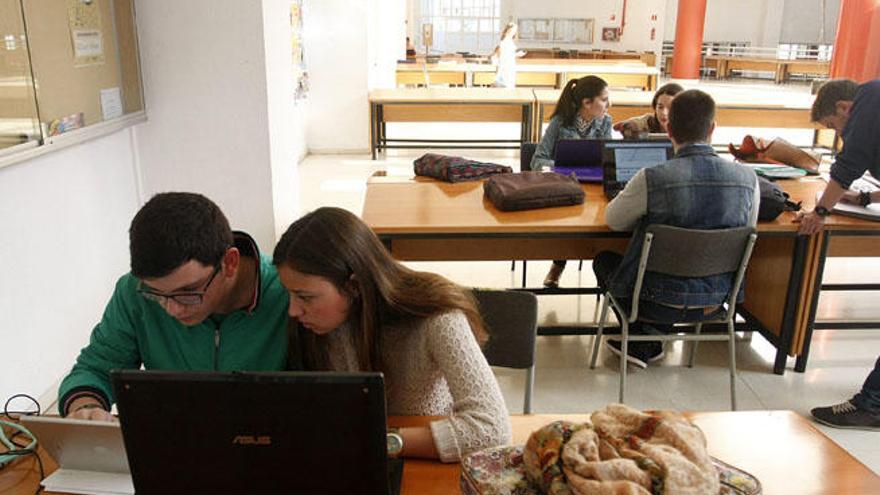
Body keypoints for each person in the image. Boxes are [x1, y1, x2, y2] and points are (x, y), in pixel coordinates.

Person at [273, 207, 511, 463]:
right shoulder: (318, 324)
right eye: (289, 294)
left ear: (354, 286)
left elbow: (492, 428)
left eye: (305, 297)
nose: (293, 311)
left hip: (425, 464)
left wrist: (382, 441)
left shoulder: (438, 318)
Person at [58, 192, 291, 420]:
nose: (172, 309)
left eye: (188, 292)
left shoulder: (290, 294)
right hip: (173, 443)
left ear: (230, 263)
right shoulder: (134, 291)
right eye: (157, 294)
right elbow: (95, 369)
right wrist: (86, 408)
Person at [594, 89, 759, 368]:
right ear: (712, 129)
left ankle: (645, 334)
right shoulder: (748, 179)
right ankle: (651, 336)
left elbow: (614, 220)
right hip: (716, 299)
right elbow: (748, 229)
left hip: (652, 299)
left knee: (604, 261)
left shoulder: (652, 177)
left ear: (668, 128)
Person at [801, 78, 880, 430]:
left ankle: (872, 405)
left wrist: (820, 212)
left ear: (844, 108)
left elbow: (852, 160)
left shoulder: (870, 96)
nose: (838, 134)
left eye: (834, 126)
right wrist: (865, 199)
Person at [530, 75, 613, 288]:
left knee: (606, 222)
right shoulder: (560, 122)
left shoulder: (605, 122)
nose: (608, 104)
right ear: (587, 103)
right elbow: (537, 161)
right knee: (568, 221)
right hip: (565, 188)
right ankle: (558, 264)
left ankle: (602, 272)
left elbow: (609, 160)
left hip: (594, 189)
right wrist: (567, 170)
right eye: (603, 99)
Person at [612, 82, 684, 139]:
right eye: (660, 107)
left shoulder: (689, 127)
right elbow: (616, 128)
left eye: (670, 108)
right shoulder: (639, 125)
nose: (664, 113)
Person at [490, 22, 526, 88]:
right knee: (507, 86)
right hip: (506, 67)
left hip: (510, 66)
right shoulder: (505, 41)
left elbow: (508, 54)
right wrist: (517, 54)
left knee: (509, 85)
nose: (515, 32)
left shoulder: (509, 40)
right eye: (514, 30)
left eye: (515, 30)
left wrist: (516, 54)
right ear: (509, 30)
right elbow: (504, 56)